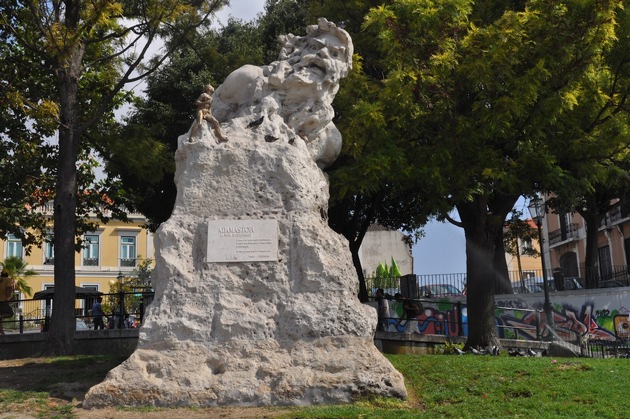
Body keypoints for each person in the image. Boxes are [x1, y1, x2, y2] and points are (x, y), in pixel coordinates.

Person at [0, 270, 16, 336]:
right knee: (10, 313)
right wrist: (8, 298)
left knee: (0, 319)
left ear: (1, 274)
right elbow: (8, 289)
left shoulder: (0, 280)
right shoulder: (8, 280)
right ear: (7, 274)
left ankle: (2, 333)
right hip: (2, 301)